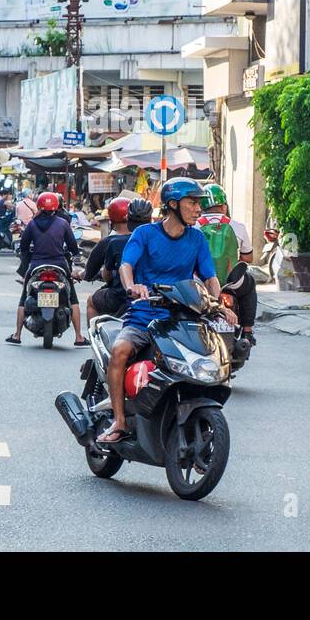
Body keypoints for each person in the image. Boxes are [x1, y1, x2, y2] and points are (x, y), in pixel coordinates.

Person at [95, 178, 221, 443]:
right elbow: (126, 266)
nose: (199, 209)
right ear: (173, 205)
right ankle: (119, 421)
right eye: (193, 203)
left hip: (181, 319)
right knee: (120, 352)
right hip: (144, 316)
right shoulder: (145, 234)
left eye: (199, 203)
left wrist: (216, 303)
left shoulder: (197, 238)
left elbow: (210, 278)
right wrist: (132, 287)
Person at [7, 191, 85, 347]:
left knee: (24, 298)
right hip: (60, 265)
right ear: (56, 207)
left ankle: (17, 334)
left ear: (39, 206)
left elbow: (23, 246)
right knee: (73, 299)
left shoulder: (32, 224)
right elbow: (72, 246)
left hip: (37, 265)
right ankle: (79, 337)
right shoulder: (63, 223)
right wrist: (75, 256)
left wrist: (28, 254)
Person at [197, 183, 259, 343]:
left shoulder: (194, 226)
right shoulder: (237, 226)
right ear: (224, 206)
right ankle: (247, 331)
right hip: (232, 283)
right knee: (250, 283)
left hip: (202, 283)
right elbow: (247, 258)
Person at [79, 197, 148, 322]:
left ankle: (93, 339)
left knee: (91, 301)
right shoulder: (156, 241)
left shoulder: (113, 243)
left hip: (123, 296)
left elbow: (104, 274)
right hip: (150, 296)